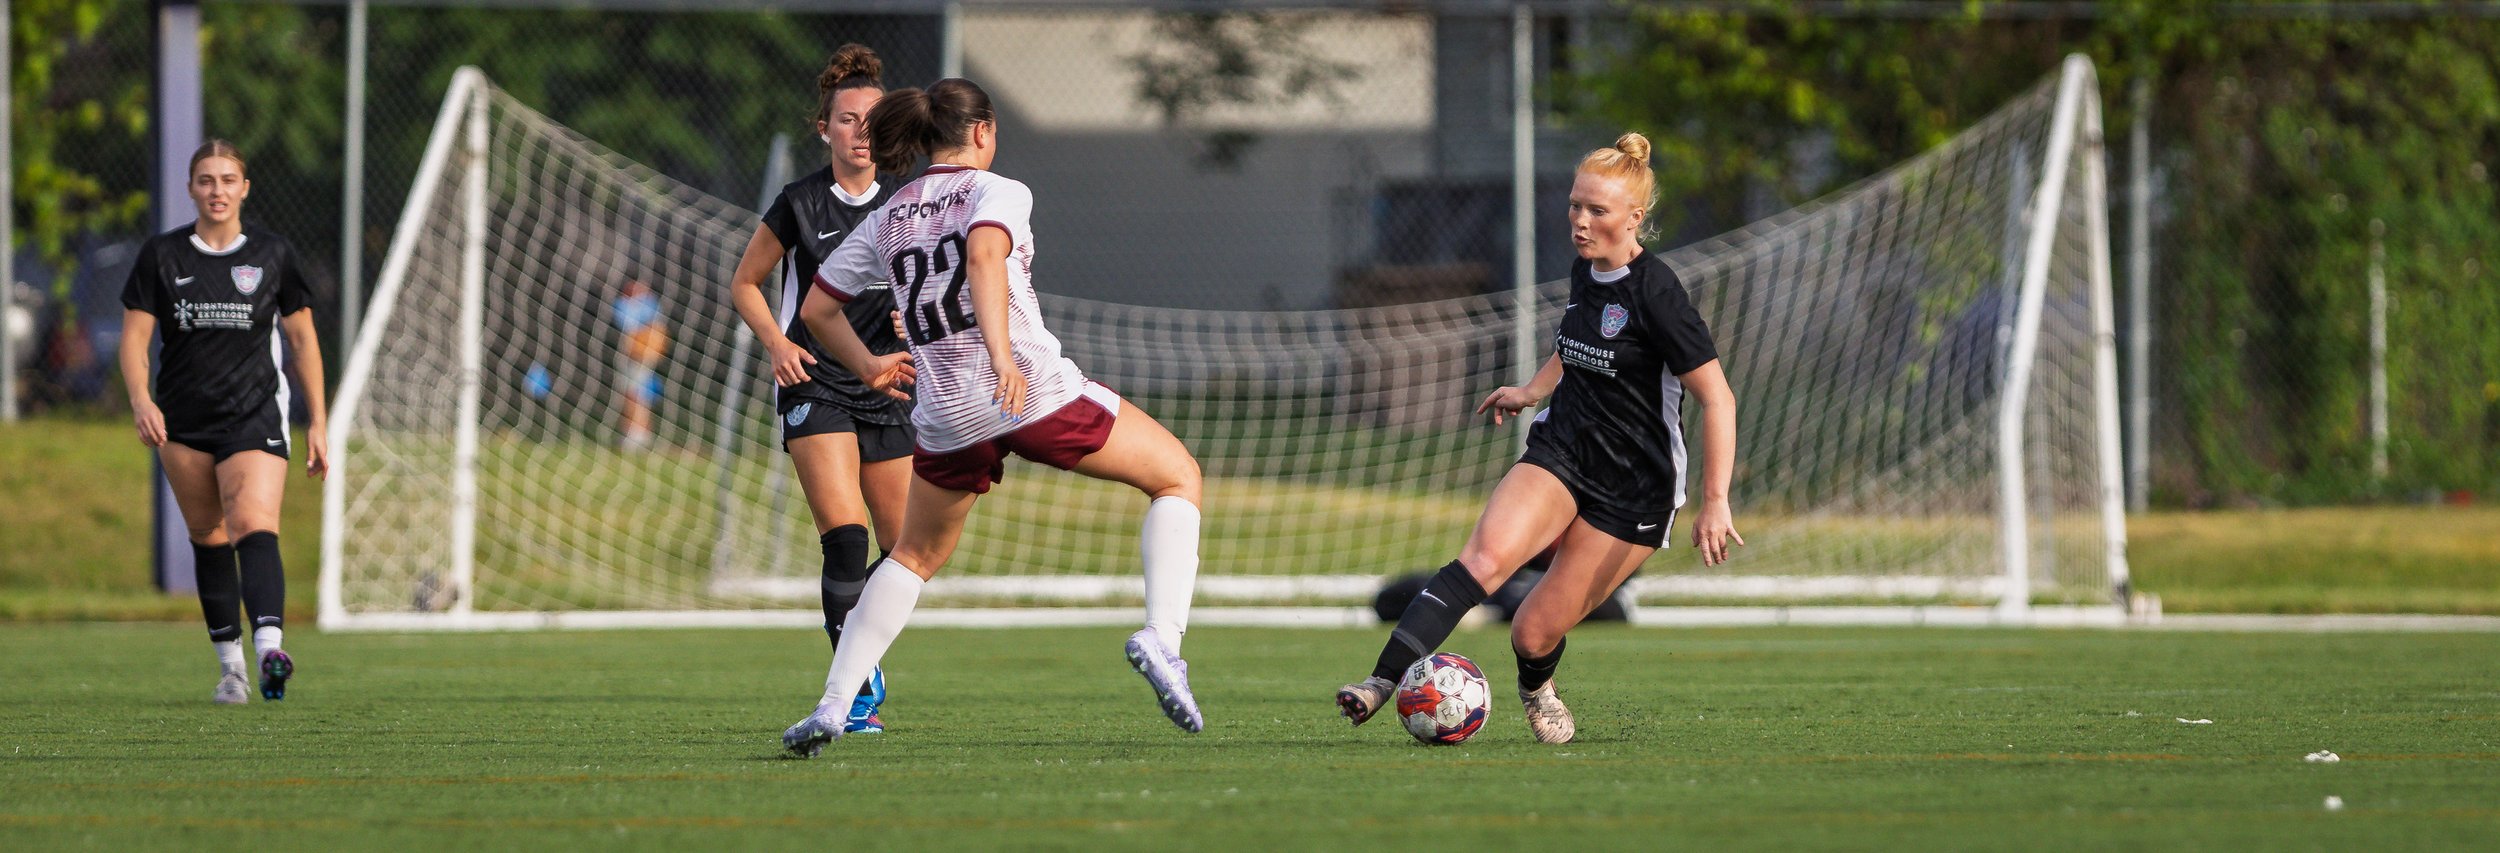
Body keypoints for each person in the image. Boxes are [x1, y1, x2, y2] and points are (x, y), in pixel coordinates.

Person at [781, 77, 1207, 756]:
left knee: (914, 557)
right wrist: (1004, 358)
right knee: (1178, 476)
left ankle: (834, 704)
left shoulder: (890, 215)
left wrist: (868, 366)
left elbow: (815, 310)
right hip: (1029, 392)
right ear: (981, 131)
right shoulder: (999, 190)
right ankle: (1164, 638)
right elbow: (983, 254)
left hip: (946, 412)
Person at [1334, 132, 1742, 745]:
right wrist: (1533, 390)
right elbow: (1575, 342)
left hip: (1636, 488)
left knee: (1532, 631)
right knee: (1484, 560)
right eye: (1575, 205)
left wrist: (1715, 501)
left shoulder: (1658, 295)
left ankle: (1537, 686)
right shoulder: (1586, 271)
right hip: (1563, 451)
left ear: (1634, 219)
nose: (1579, 221)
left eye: (1596, 211)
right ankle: (1379, 682)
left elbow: (1718, 398)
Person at [724, 44, 907, 735]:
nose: (861, 132)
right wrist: (777, 343)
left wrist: (909, 319)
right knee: (847, 540)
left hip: (889, 382)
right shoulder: (799, 202)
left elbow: (936, 290)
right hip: (818, 381)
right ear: (824, 128)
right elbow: (745, 283)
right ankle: (854, 690)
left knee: (906, 549)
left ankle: (862, 649)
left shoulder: (907, 205)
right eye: (848, 119)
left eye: (873, 121)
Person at [117, 139, 327, 705]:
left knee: (254, 522)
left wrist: (320, 424)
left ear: (245, 188)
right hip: (182, 418)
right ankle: (231, 670)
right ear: (191, 188)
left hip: (253, 412)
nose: (217, 190)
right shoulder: (162, 256)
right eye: (206, 180)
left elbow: (303, 339)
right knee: (208, 538)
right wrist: (141, 400)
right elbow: (135, 340)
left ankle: (269, 651)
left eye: (228, 180)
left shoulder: (272, 254)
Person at [613, 279, 668, 450]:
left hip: (642, 356)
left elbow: (656, 329)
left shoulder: (650, 304)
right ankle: (634, 431)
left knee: (638, 393)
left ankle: (640, 434)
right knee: (630, 393)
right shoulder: (622, 304)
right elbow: (626, 326)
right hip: (628, 354)